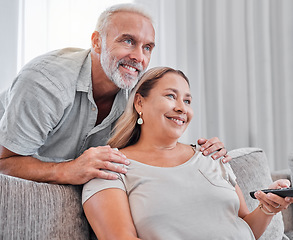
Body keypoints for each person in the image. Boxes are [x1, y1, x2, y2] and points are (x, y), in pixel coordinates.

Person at [0, 4, 229, 185]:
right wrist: (68, 170)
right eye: (128, 41)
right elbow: (4, 163)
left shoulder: (139, 93)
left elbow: (157, 146)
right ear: (97, 42)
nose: (139, 57)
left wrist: (203, 153)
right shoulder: (46, 82)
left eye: (147, 47)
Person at [82, 67, 293, 240]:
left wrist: (267, 208)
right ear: (140, 102)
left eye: (187, 101)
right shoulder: (111, 167)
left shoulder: (212, 156)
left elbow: (245, 229)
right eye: (170, 96)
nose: (182, 108)